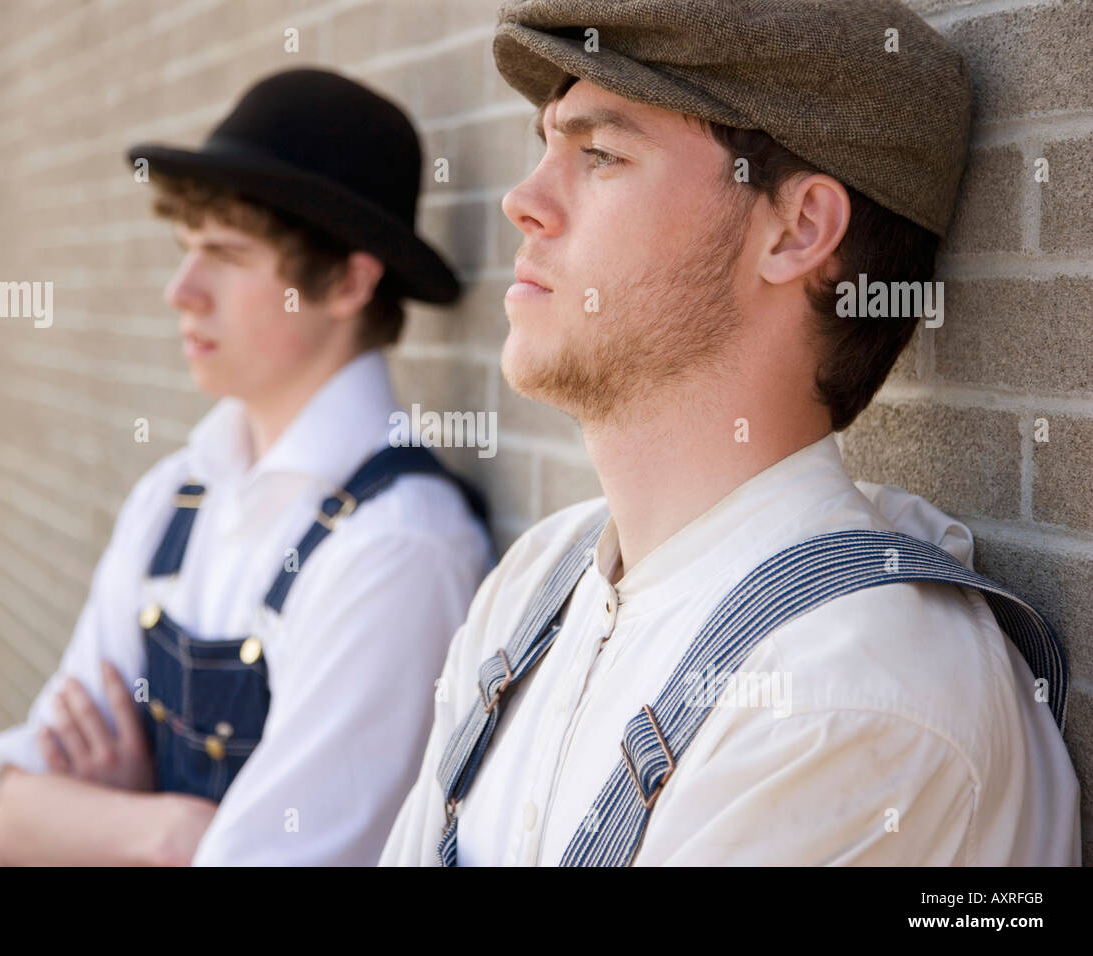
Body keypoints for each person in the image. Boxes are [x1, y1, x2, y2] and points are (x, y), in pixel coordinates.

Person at [380, 0, 1080, 866]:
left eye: (600, 153)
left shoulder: (853, 692)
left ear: (797, 230)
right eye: (545, 145)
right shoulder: (535, 587)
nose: (524, 202)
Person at [0, 68, 495, 866]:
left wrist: (106, 822)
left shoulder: (397, 549)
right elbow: (11, 815)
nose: (179, 291)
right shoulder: (173, 497)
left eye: (224, 253)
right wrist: (167, 835)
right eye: (185, 250)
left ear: (349, 281)